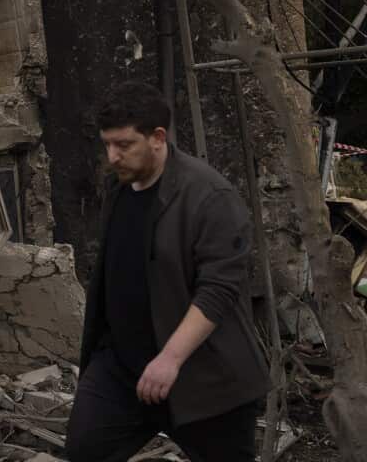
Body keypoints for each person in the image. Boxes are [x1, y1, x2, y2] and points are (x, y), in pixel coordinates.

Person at [65, 81, 268, 461]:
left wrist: (170, 358)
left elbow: (219, 289)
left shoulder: (210, 196)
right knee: (84, 451)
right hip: (122, 369)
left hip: (204, 377)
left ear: (158, 137)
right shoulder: (118, 189)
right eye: (107, 144)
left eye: (124, 145)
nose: (112, 156)